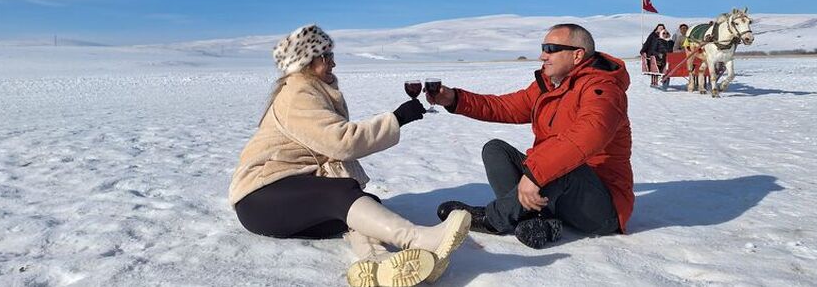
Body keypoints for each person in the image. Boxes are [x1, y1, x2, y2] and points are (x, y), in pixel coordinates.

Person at [229, 24, 471, 287]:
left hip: (283, 201)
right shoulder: (298, 93)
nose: (333, 62)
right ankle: (418, 239)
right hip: (260, 197)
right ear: (306, 62)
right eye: (326, 56)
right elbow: (341, 142)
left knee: (364, 204)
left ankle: (377, 262)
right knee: (340, 194)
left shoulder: (314, 89)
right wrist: (396, 119)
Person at [426, 24, 633, 249]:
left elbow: (592, 132)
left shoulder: (603, 89)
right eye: (543, 48)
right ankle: (538, 221)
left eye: (551, 48)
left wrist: (535, 174)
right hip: (559, 192)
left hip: (601, 208)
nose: (543, 55)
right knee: (496, 149)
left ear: (577, 55)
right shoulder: (551, 86)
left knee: (558, 165)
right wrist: (455, 99)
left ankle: (493, 219)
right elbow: (504, 106)